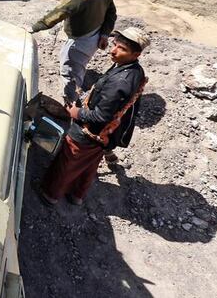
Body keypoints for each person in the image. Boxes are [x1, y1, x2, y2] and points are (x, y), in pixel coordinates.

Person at [40, 27, 149, 206]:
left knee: (67, 161)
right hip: (103, 136)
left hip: (89, 132)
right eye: (115, 45)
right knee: (89, 164)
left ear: (136, 54)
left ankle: (50, 194)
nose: (113, 51)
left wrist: (76, 113)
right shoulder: (133, 69)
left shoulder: (121, 81)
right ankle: (77, 195)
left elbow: (101, 116)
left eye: (122, 49)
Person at [31, 0, 117, 105]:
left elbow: (59, 13)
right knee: (78, 66)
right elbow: (111, 13)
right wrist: (104, 34)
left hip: (80, 41)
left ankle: (70, 104)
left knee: (68, 72)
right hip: (95, 36)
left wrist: (34, 28)